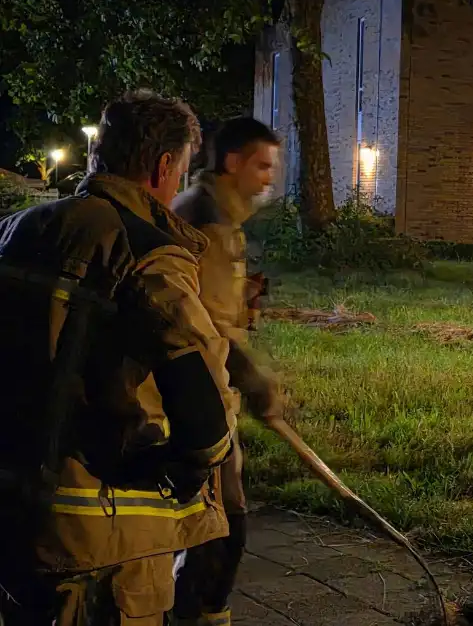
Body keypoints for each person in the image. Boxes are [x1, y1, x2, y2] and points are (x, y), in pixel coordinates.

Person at [0, 90, 237, 625]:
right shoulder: (145, 252)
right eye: (181, 171)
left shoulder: (15, 232)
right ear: (162, 165)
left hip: (15, 520)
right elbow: (203, 417)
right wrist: (194, 462)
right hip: (99, 543)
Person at [170, 116, 285, 626]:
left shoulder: (209, 213)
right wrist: (256, 384)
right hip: (203, 400)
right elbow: (207, 333)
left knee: (206, 524)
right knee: (223, 527)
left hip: (197, 395)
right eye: (262, 165)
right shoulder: (209, 224)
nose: (268, 179)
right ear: (232, 162)